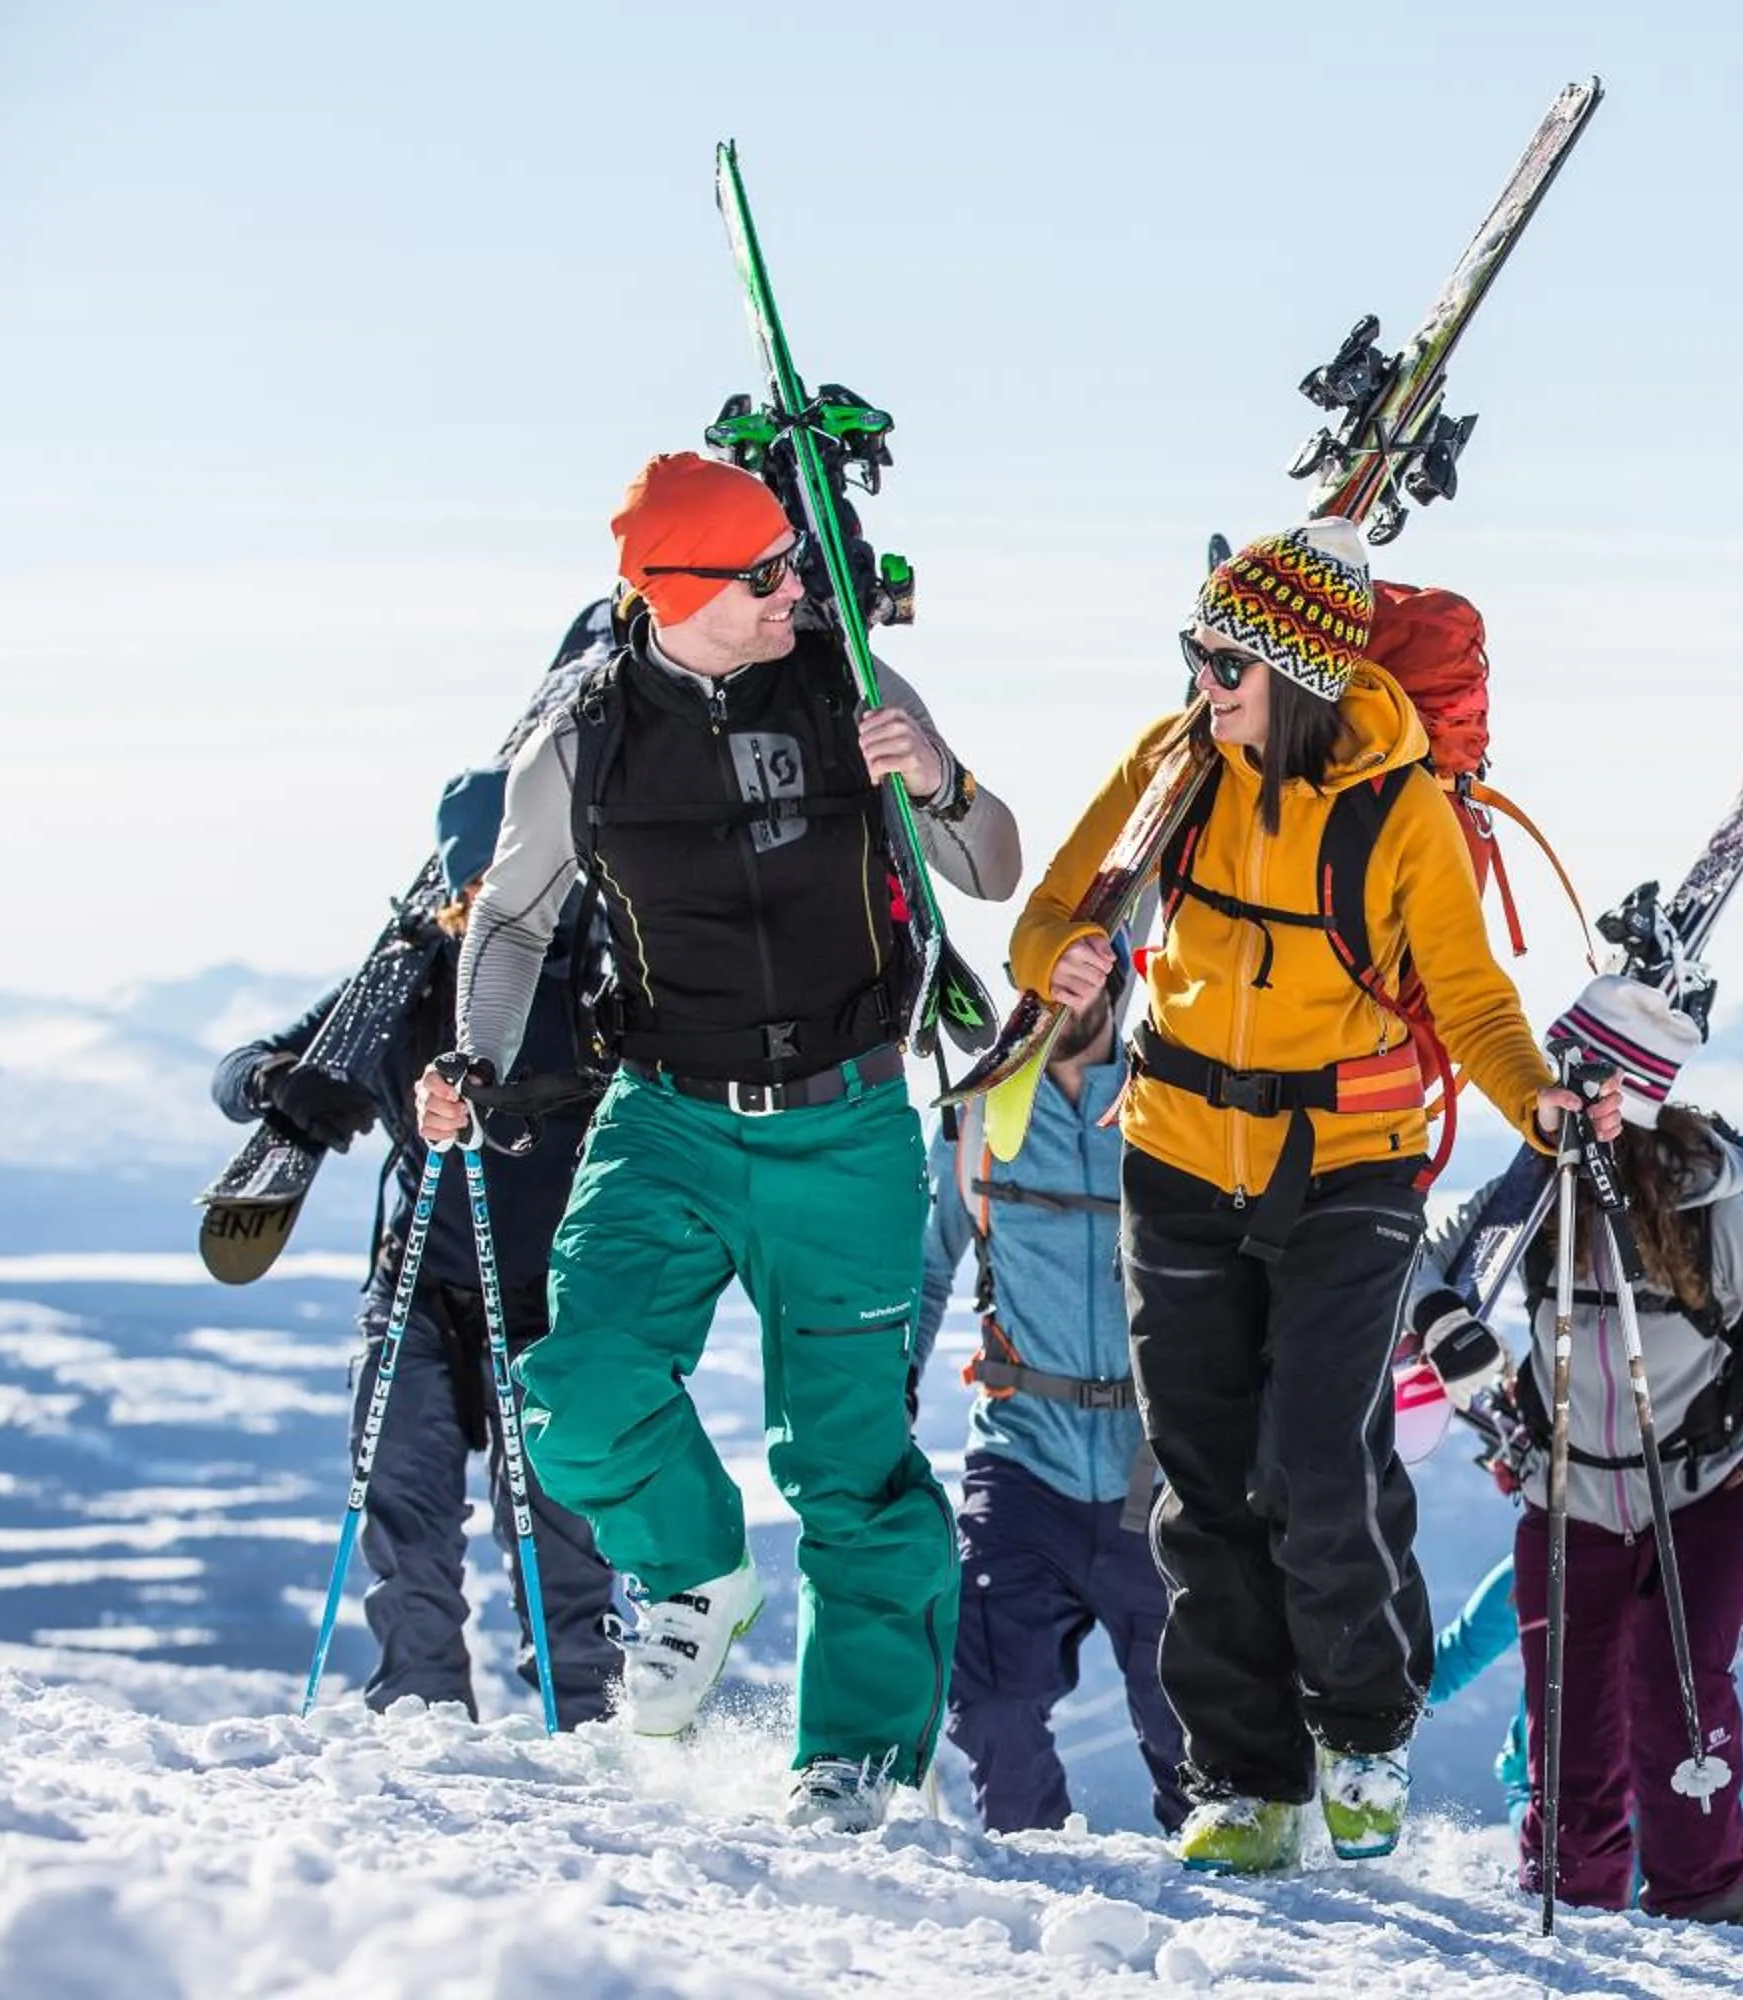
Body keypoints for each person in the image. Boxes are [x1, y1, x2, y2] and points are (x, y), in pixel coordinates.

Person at [417, 452, 1022, 1833]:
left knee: (850, 1457)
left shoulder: (847, 676)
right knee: (572, 1392)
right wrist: (473, 1060)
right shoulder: (580, 738)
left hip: (849, 1119)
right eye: (765, 574)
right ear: (670, 591)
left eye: (792, 563)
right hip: (666, 1120)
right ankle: (693, 1572)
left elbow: (993, 861)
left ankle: (854, 1758)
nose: (795, 589)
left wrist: (934, 777)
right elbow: (510, 924)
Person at [1005, 517, 1615, 1874]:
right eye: (1195, 651)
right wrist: (1062, 967)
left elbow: (1468, 998)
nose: (1201, 680)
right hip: (1172, 1152)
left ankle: (1360, 1725)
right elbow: (1050, 911)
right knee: (1205, 1479)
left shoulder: (1399, 811)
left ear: (1301, 666)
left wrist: (1541, 1104)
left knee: (1317, 1463)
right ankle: (1241, 1776)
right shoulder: (1174, 770)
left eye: (1225, 658)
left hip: (1349, 1166)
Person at [1419, 974, 1743, 1925]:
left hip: (1712, 1499)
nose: (1564, 1102)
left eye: (1587, 1083)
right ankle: (1571, 1923)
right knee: (1569, 1737)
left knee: (1674, 1696)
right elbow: (1418, 1258)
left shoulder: (1718, 1211)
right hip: (1571, 1506)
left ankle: (1703, 1919)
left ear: (1635, 1098)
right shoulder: (1532, 1196)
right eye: (1562, 1079)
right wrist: (1442, 1319)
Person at [217, 768, 619, 1722]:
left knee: (566, 1564)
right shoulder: (404, 981)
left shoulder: (599, 977)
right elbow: (240, 1070)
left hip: (550, 1316)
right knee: (412, 1546)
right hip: (423, 1299)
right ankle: (421, 1741)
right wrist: (282, 1081)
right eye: (476, 887)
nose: (495, 908)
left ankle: (591, 1747)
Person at [912, 949, 1183, 1835]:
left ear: (1115, 981)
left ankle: (1239, 1934)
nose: (1069, 997)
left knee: (1196, 1740)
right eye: (1048, 978)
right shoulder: (981, 1119)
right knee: (990, 1698)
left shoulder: (1165, 1105)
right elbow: (923, 1270)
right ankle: (1037, 1888)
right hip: (1022, 1463)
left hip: (1163, 1470)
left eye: (1084, 975)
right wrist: (891, 1396)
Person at [1427, 1543, 1743, 1821]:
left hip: (1655, 1783)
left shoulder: (1695, 1546)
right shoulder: (1547, 1558)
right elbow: (1447, 1665)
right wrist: (1368, 1688)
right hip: (1551, 1782)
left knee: (1636, 1921)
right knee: (1583, 1909)